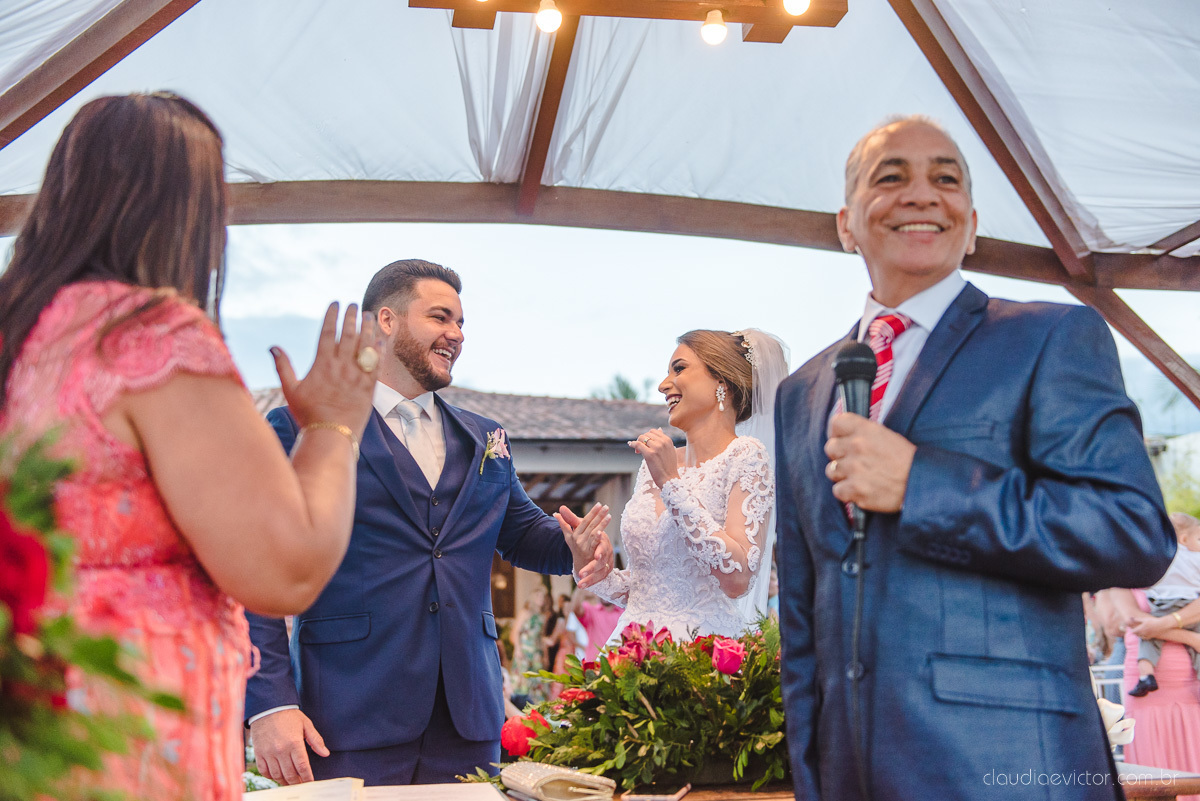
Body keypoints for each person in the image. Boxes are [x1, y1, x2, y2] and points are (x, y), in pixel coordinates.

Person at [775, 115, 1175, 800]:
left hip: (1014, 769)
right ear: (847, 223)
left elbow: (1133, 529)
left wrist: (921, 485)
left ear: (972, 219)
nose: (923, 194)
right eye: (891, 176)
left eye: (946, 178)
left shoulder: (1050, 336)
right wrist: (814, 775)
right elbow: (803, 614)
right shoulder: (802, 392)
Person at [0, 93, 376, 801]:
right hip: (127, 734)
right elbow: (283, 567)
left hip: (30, 719)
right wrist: (331, 427)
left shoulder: (22, 331)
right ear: (187, 209)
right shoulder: (147, 338)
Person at [245, 259, 615, 787]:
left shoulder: (484, 437)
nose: (456, 335)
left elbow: (523, 533)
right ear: (385, 322)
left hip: (467, 720)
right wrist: (269, 704)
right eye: (441, 317)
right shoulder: (301, 424)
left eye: (462, 323)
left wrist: (573, 546)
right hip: (347, 714)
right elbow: (257, 564)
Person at [587, 329, 788, 641]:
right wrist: (597, 572)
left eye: (679, 369)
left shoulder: (745, 455)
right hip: (633, 647)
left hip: (702, 652)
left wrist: (670, 483)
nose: (663, 385)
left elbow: (737, 579)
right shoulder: (652, 465)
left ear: (722, 380)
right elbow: (652, 588)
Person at [1130, 512, 1200, 696]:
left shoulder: (1159, 559)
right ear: (1184, 538)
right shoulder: (1195, 558)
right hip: (1191, 606)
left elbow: (1146, 583)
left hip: (1164, 606)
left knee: (1148, 639)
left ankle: (1146, 675)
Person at [510, 583, 553, 705]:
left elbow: (541, 637)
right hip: (524, 652)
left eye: (543, 597)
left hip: (536, 654)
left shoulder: (542, 617)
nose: (541, 599)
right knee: (522, 683)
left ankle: (536, 711)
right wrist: (517, 649)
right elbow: (514, 633)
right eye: (538, 596)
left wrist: (545, 656)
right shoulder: (525, 612)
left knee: (537, 683)